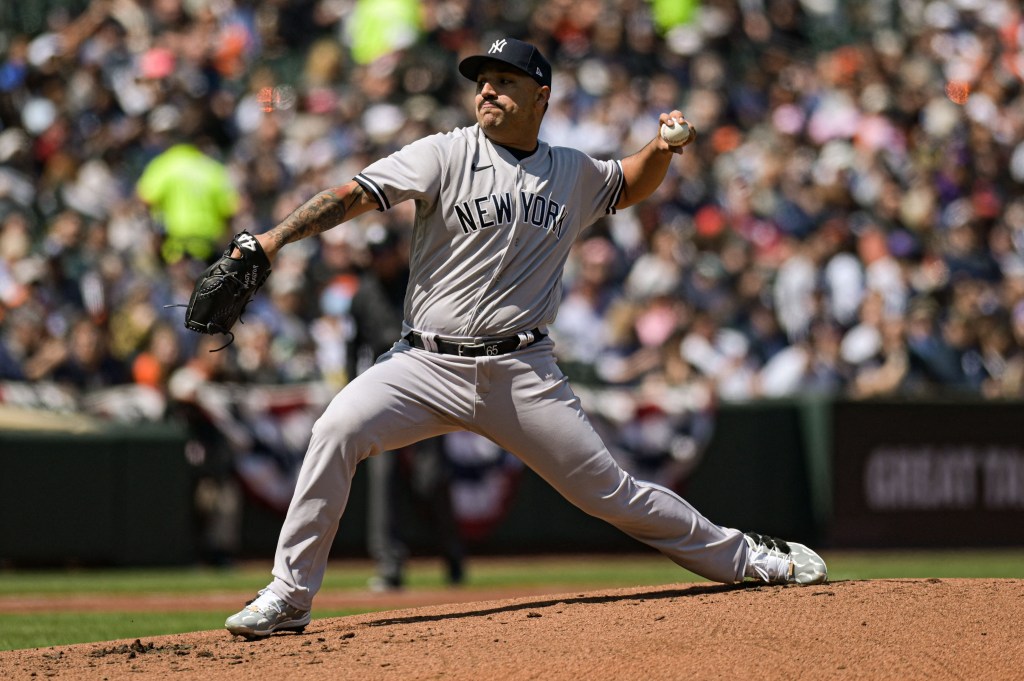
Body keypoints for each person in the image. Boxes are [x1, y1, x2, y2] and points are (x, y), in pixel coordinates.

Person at [225, 37, 827, 638]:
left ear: (540, 96)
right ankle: (290, 594)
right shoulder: (444, 153)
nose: (486, 89)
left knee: (612, 495)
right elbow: (354, 195)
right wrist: (272, 241)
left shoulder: (571, 170)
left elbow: (628, 183)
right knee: (335, 428)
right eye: (482, 79)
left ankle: (747, 556)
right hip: (425, 363)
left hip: (523, 372)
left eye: (504, 80)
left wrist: (662, 148)